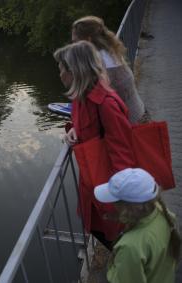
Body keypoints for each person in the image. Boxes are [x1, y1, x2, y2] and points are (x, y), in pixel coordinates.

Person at [54, 41, 136, 249]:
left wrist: (121, 204)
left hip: (109, 190)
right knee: (97, 230)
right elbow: (83, 124)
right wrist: (73, 129)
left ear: (75, 71)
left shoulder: (106, 103)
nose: (60, 74)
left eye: (61, 69)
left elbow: (124, 155)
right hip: (93, 183)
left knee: (117, 241)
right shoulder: (81, 98)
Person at [94, 168, 180, 283]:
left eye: (115, 202)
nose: (112, 205)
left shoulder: (130, 247)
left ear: (127, 209)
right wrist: (122, 217)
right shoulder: (161, 212)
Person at [72, 16, 149, 124]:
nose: (73, 46)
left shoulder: (96, 65)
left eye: (75, 42)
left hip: (129, 127)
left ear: (88, 40)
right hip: (141, 114)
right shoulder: (110, 51)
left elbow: (93, 107)